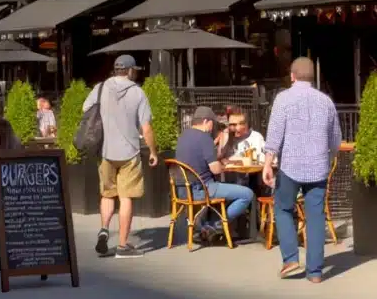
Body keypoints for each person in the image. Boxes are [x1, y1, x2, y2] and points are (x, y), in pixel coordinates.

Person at [263, 57, 342, 283]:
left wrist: (268, 162)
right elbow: (336, 139)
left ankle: (291, 258)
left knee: (283, 208)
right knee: (315, 217)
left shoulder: (283, 99)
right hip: (318, 167)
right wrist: (329, 158)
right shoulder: (326, 101)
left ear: (292, 76)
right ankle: (315, 272)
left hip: (290, 166)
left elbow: (275, 133)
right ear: (312, 77)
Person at [82, 54, 158, 259]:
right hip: (129, 152)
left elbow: (86, 110)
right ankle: (123, 246)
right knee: (126, 198)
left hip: (105, 151)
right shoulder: (138, 93)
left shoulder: (100, 88)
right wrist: (152, 151)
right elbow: (147, 127)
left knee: (107, 194)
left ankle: (105, 229)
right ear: (131, 71)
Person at [175, 106, 254, 242]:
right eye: (213, 123)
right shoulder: (204, 138)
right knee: (247, 194)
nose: (213, 128)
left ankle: (205, 226)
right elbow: (215, 169)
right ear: (207, 121)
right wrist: (225, 165)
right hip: (202, 189)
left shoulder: (183, 136)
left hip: (182, 190)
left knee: (228, 189)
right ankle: (215, 225)